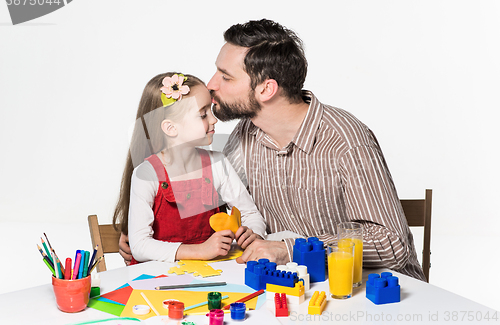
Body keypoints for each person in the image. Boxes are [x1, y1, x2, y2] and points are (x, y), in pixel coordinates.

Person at [119, 20, 426, 281]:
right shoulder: (243, 137)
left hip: (375, 290)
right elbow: (207, 200)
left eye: (225, 77)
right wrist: (148, 237)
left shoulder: (346, 140)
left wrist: (291, 249)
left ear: (265, 89)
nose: (211, 85)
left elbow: (393, 246)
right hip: (295, 287)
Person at [112, 72, 265, 264]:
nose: (213, 120)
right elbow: (140, 246)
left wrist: (253, 233)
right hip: (158, 279)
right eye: (203, 114)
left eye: (210, 110)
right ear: (170, 128)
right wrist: (200, 250)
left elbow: (250, 214)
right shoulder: (146, 174)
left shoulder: (218, 163)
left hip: (212, 275)